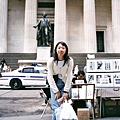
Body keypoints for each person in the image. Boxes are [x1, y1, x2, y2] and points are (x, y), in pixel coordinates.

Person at [47, 41, 74, 120]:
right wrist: (56, 91)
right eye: (59, 48)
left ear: (66, 50)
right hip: (54, 85)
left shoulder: (69, 60)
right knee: (55, 108)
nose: (61, 50)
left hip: (65, 84)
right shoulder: (51, 61)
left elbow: (69, 76)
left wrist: (66, 91)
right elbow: (49, 77)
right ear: (56, 49)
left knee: (65, 107)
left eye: (63, 48)